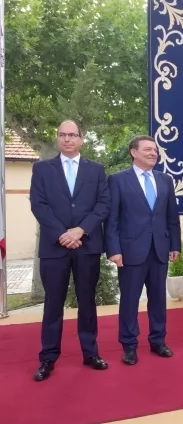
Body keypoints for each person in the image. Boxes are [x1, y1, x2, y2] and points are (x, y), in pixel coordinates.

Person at [29, 120, 110, 381]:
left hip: (87, 246)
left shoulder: (96, 170)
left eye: (72, 135)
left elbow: (103, 204)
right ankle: (48, 357)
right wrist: (62, 234)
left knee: (87, 301)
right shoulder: (42, 169)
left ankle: (90, 353)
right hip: (55, 247)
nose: (67, 139)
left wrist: (80, 230)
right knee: (53, 304)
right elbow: (38, 205)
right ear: (57, 138)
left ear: (81, 139)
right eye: (62, 135)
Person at [105, 136, 181, 365]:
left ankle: (158, 340)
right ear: (133, 152)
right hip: (130, 251)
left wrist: (175, 245)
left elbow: (171, 217)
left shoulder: (165, 180)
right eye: (147, 149)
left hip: (159, 249)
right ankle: (129, 345)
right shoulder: (118, 180)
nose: (153, 153)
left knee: (158, 299)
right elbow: (112, 219)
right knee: (130, 300)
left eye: (155, 150)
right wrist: (113, 249)